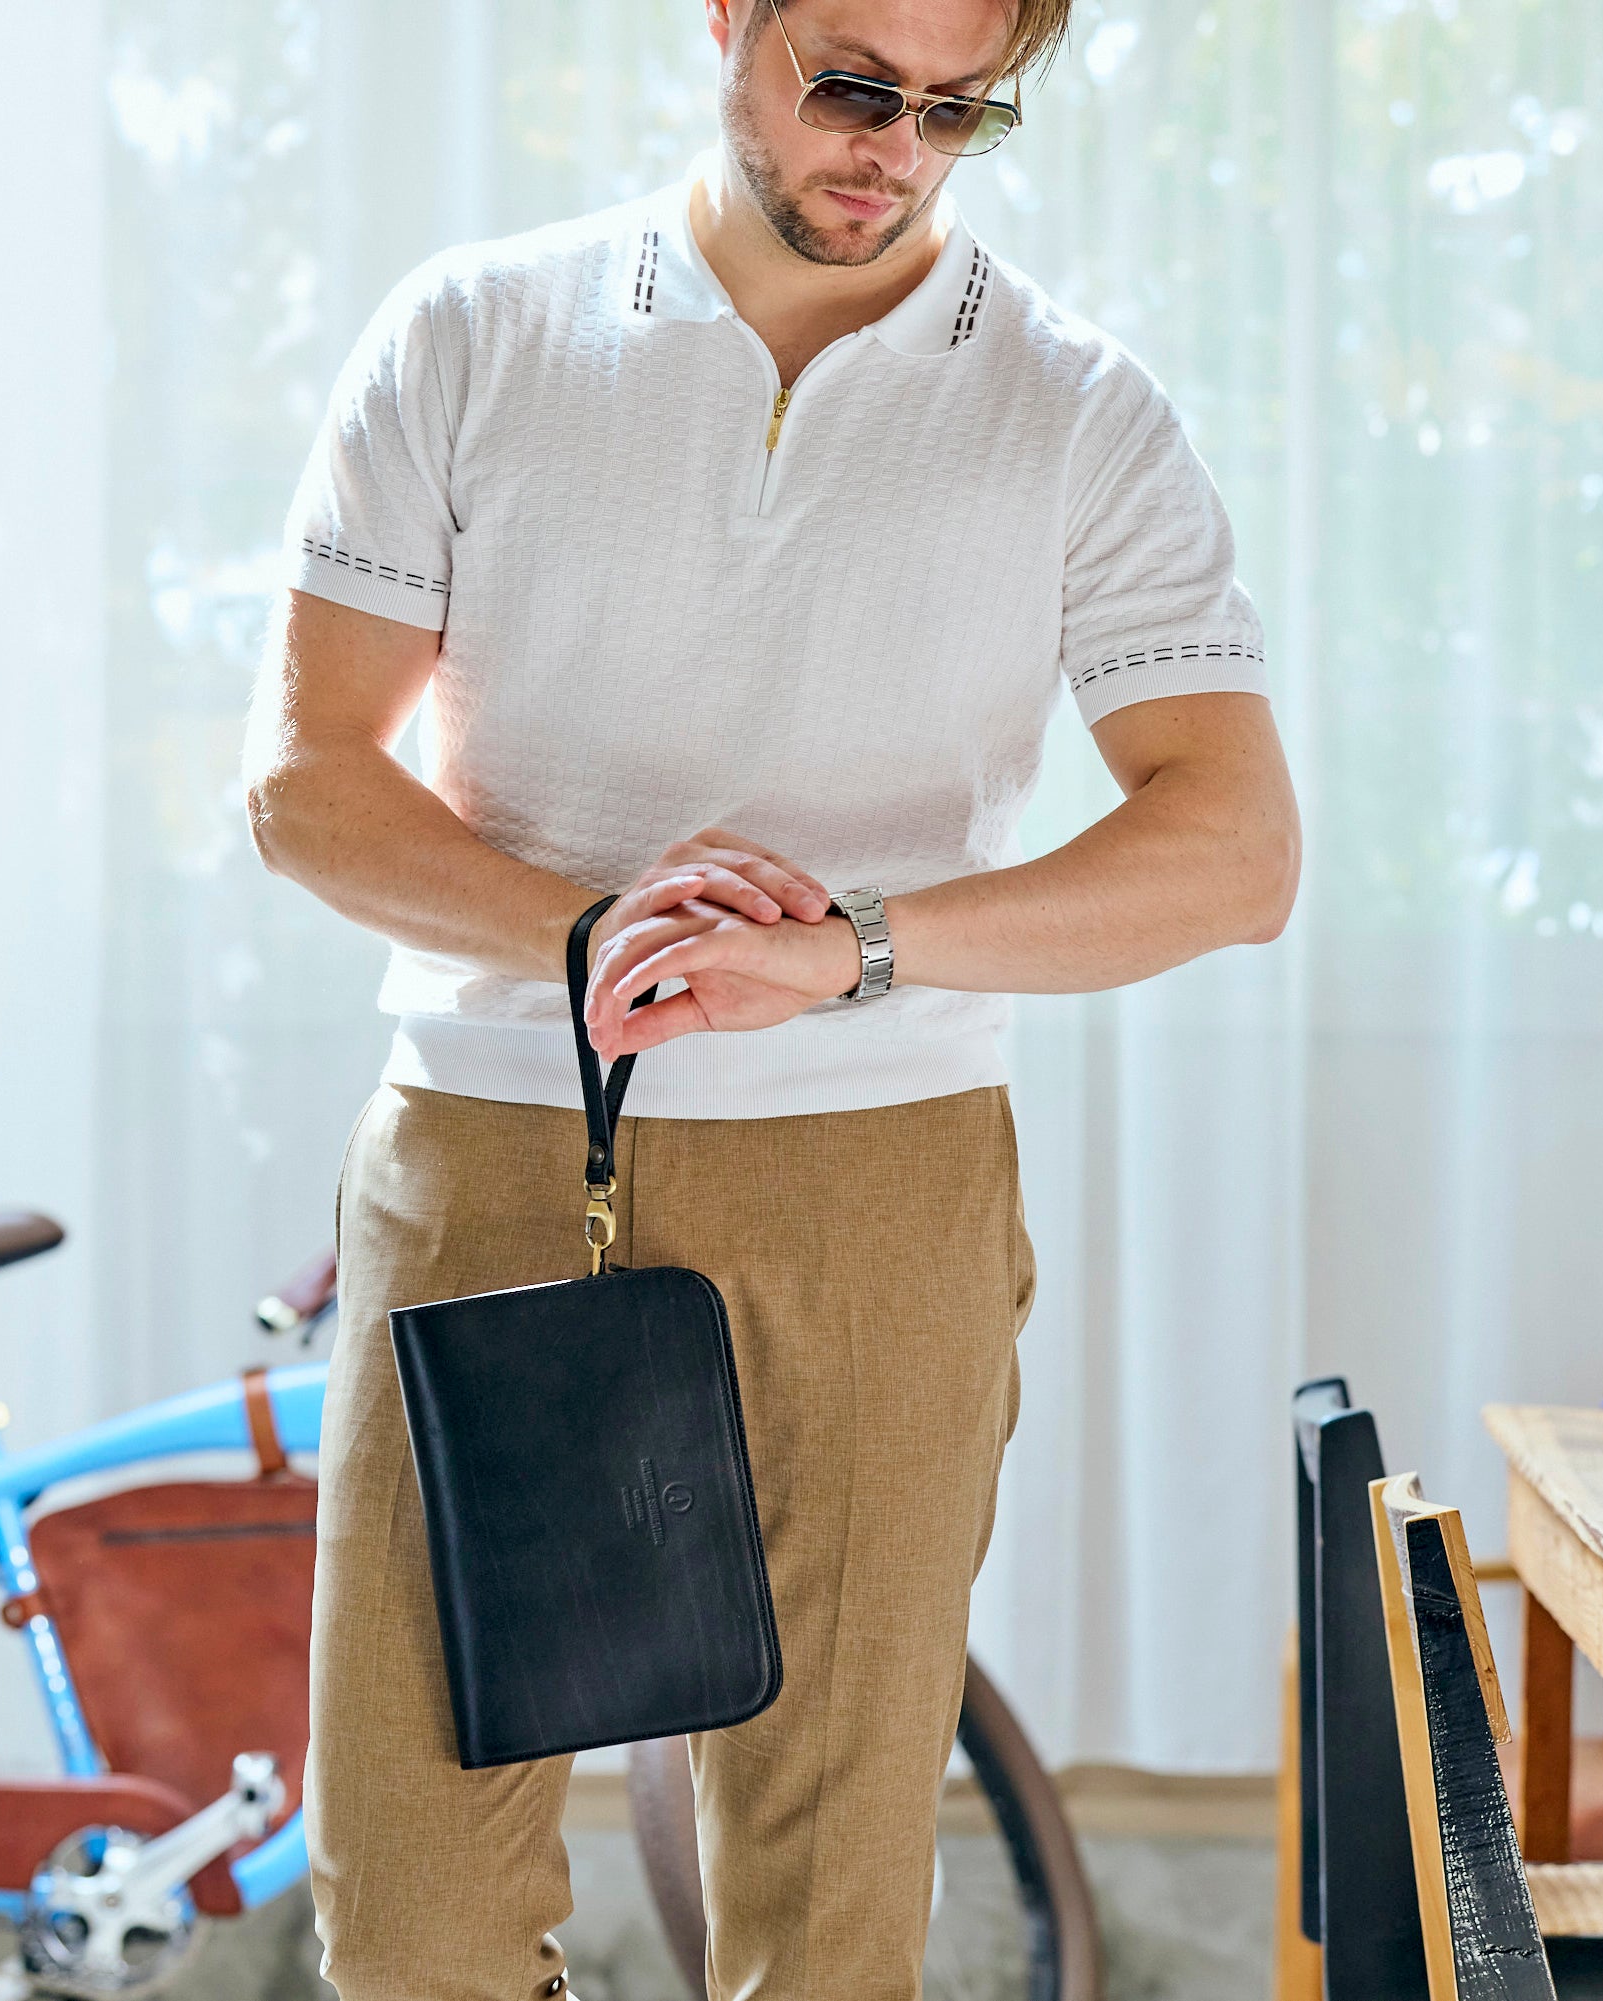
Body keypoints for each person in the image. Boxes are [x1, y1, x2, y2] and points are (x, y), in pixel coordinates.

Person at [243, 0, 1300, 1992]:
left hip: (883, 1180)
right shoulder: (471, 332)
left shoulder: (1076, 405)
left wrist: (846, 949)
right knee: (412, 1915)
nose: (891, 149)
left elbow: (1234, 849)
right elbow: (301, 777)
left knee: (823, 1920)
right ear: (724, 19)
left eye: (957, 107)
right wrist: (595, 925)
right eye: (845, 83)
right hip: (493, 1159)